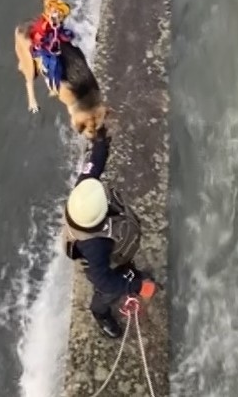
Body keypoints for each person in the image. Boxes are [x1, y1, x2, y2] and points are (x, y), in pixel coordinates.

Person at [62, 125, 156, 338]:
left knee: (121, 263)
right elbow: (103, 280)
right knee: (107, 291)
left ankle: (128, 272)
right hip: (100, 267)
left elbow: (93, 163)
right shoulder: (94, 246)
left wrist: (100, 140)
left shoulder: (83, 189)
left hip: (107, 248)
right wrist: (138, 286)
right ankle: (100, 313)